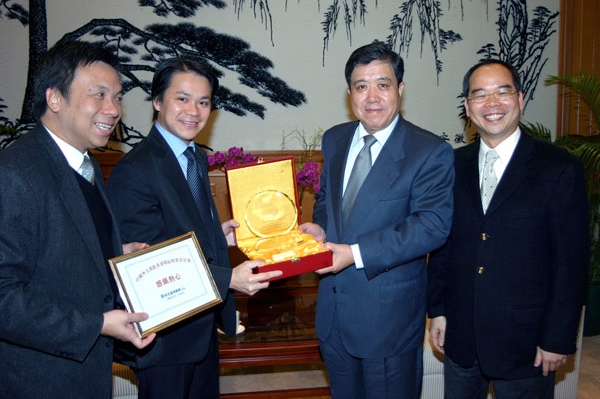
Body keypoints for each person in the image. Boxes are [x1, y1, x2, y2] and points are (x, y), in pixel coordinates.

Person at [107, 56, 282, 399]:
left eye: (203, 102)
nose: (194, 111)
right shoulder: (135, 170)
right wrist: (229, 279)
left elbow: (180, 229)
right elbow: (146, 264)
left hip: (202, 326)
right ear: (157, 101)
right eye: (182, 99)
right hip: (164, 338)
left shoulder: (194, 157)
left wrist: (218, 235)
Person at [0, 40, 156, 398]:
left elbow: (59, 247)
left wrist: (114, 252)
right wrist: (96, 324)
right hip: (39, 381)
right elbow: (4, 297)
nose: (113, 109)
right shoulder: (16, 173)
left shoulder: (86, 166)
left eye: (117, 97)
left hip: (86, 375)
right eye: (98, 94)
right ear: (55, 98)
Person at [299, 40, 455, 398]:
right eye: (361, 86)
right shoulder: (335, 139)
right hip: (334, 313)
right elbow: (327, 199)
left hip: (388, 319)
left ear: (400, 88)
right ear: (349, 93)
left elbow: (431, 226)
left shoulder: (429, 151)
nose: (372, 97)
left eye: (383, 84)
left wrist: (353, 253)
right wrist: (321, 226)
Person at [427, 59, 590, 398]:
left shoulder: (559, 167)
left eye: (502, 92)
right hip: (461, 336)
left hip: (526, 343)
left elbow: (571, 263)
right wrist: (438, 311)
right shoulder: (452, 165)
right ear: (468, 107)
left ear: (520, 98)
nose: (492, 103)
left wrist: (557, 338)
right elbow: (444, 245)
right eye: (480, 95)